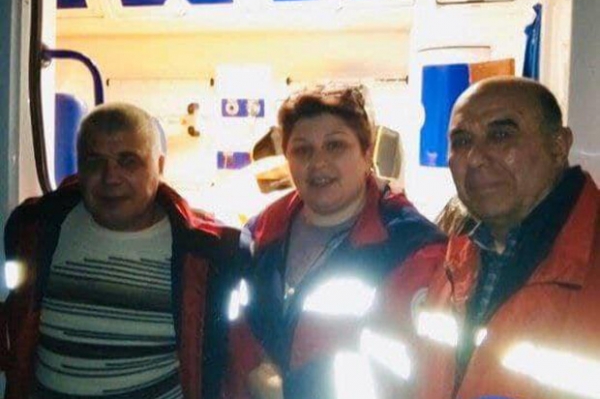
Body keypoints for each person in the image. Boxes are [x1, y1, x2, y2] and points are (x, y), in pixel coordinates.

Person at [0, 103, 239, 398]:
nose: (110, 177)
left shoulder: (204, 253)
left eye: (129, 161)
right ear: (79, 167)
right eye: (94, 161)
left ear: (160, 166)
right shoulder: (35, 230)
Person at [225, 85, 447, 399]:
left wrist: (289, 390)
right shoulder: (259, 236)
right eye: (303, 150)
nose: (318, 163)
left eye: (335, 146)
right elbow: (238, 325)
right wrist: (252, 370)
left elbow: (419, 370)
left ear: (366, 153)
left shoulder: (413, 249)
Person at [415, 77, 600, 399]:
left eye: (501, 135)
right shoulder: (453, 267)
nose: (475, 157)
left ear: (558, 146)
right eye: (461, 141)